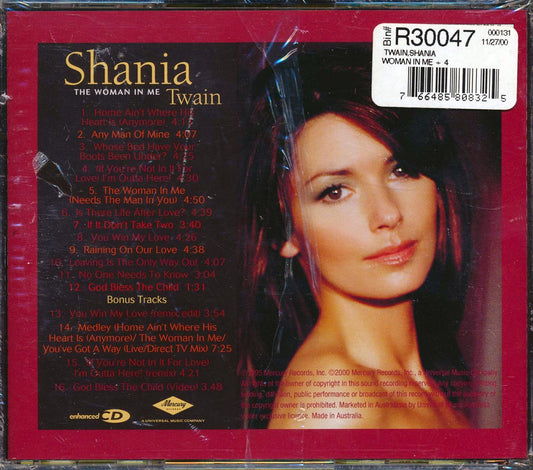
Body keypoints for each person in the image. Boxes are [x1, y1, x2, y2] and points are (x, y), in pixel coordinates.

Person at [241, 47, 472, 429]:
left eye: (401, 169)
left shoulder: (423, 386)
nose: (388, 214)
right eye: (334, 192)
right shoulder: (330, 402)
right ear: (285, 230)